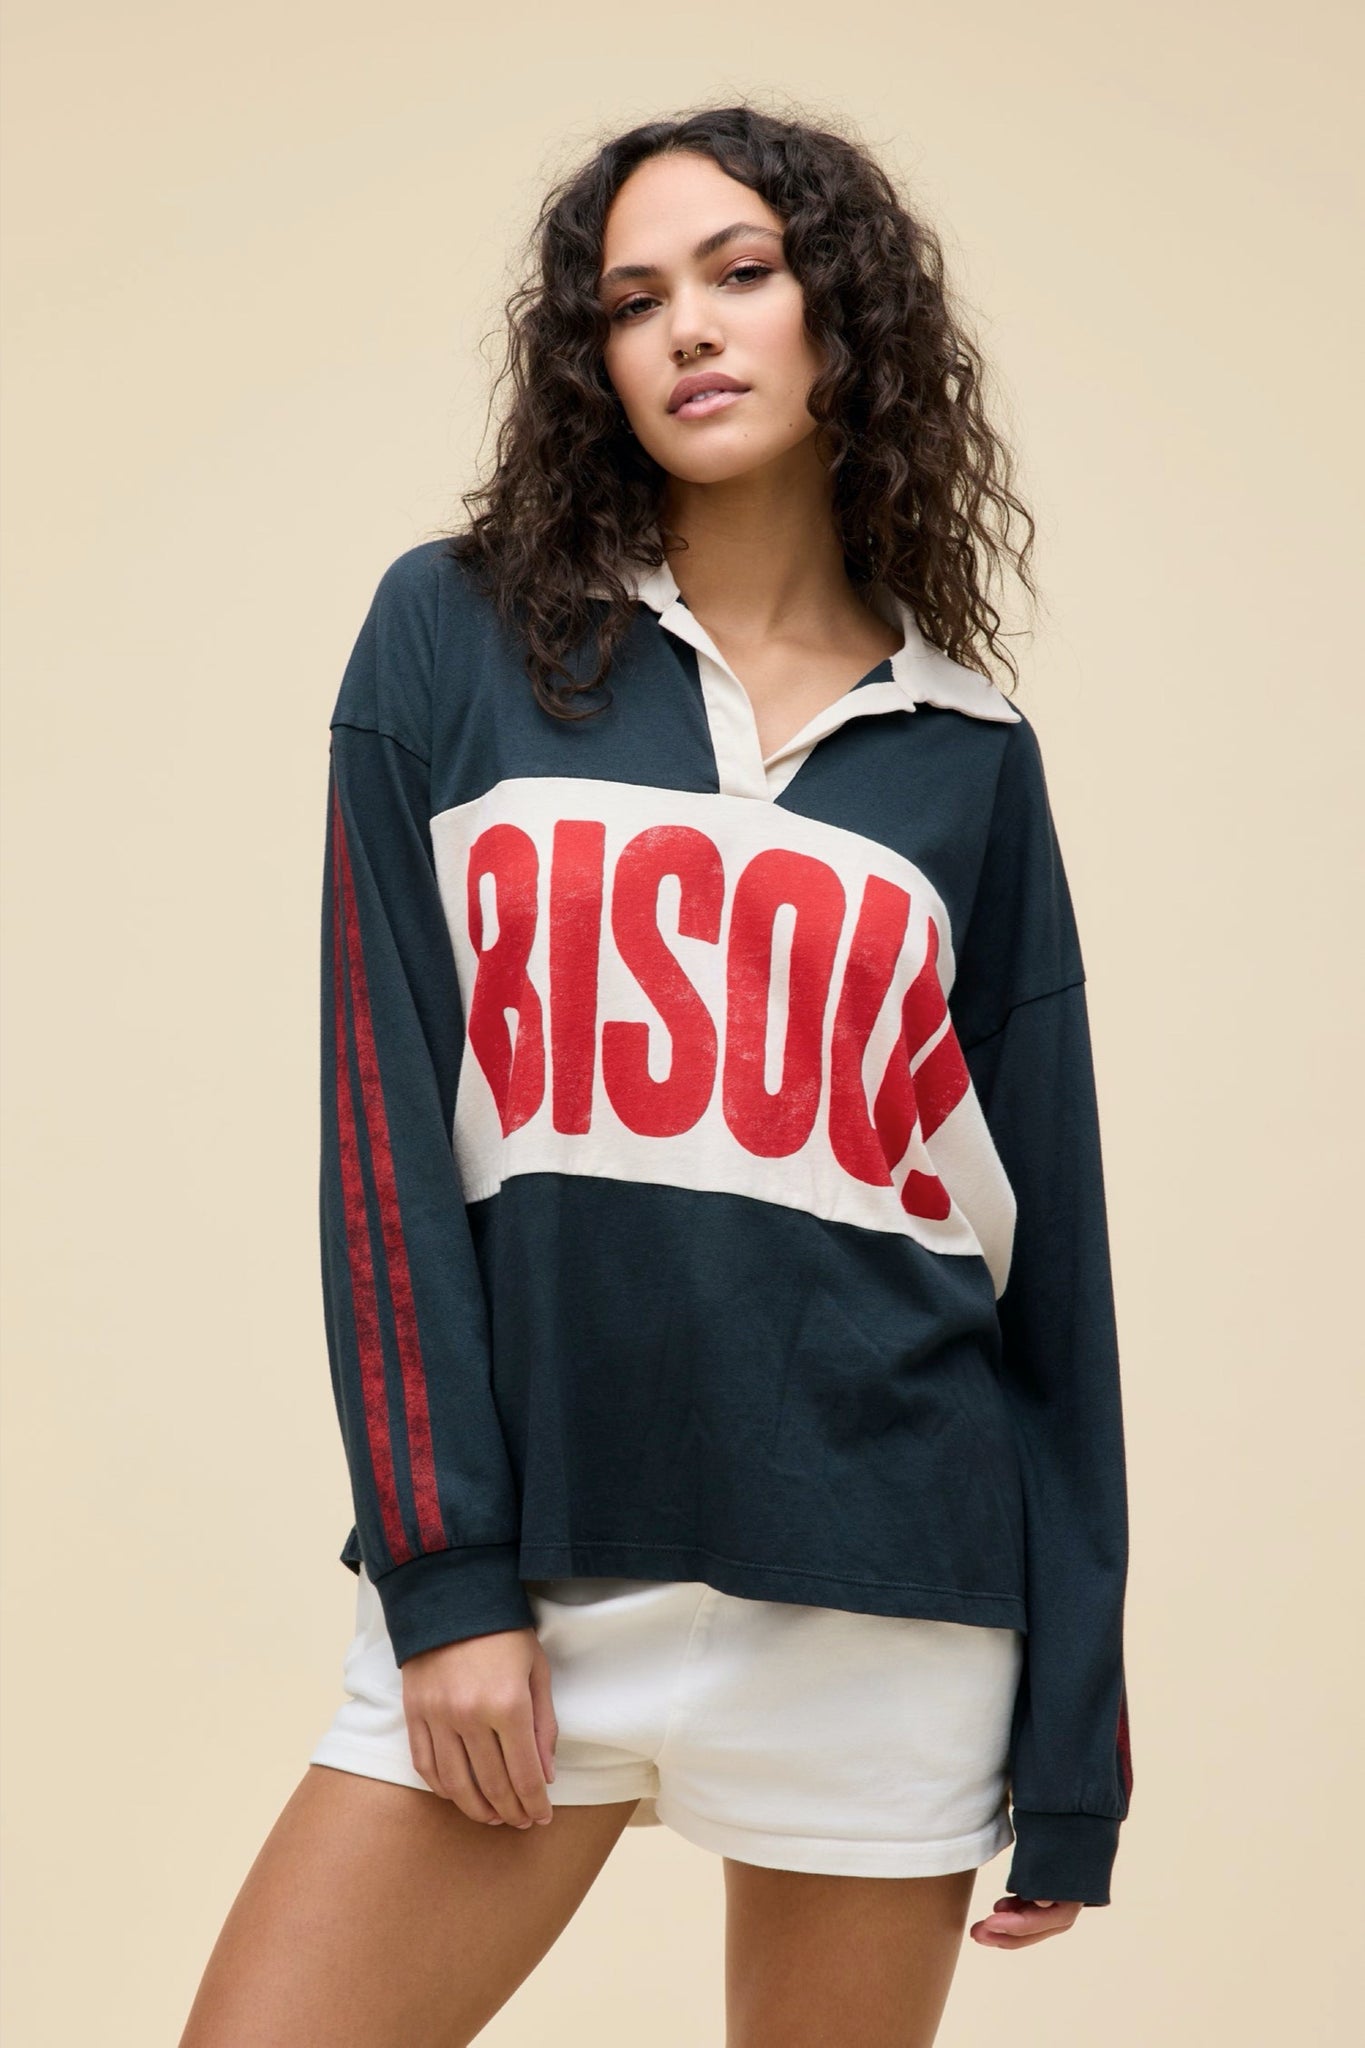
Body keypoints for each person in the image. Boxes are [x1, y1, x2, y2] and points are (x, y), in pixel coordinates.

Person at [179, 102, 1133, 2048]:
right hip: (543, 1575)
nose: (686, 326)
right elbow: (380, 1135)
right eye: (630, 299)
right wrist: (445, 1578)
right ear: (590, 357)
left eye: (740, 272)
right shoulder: (454, 637)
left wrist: (1074, 1743)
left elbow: (1046, 1256)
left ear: (838, 313)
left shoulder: (965, 754)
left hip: (888, 1608)